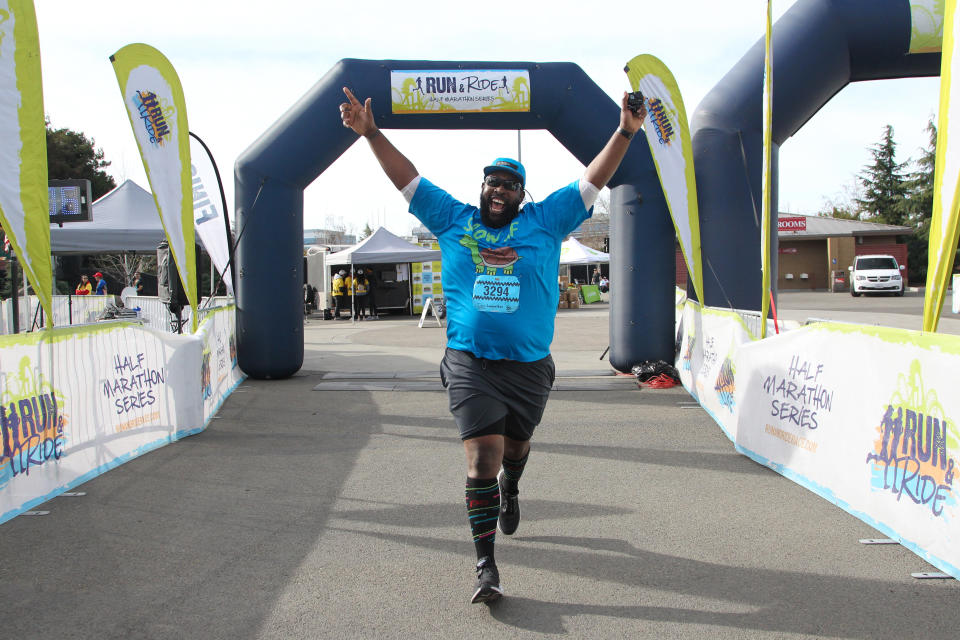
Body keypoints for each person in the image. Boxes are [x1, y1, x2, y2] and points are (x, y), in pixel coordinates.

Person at [341, 86, 645, 604]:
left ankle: (513, 485)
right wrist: (371, 133)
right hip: (470, 363)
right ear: (481, 189)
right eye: (492, 183)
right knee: (483, 456)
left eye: (509, 184)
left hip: (528, 368)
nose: (499, 190)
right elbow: (408, 178)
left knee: (516, 447)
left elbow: (592, 180)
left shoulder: (545, 221)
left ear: (521, 194)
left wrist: (624, 131)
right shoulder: (452, 219)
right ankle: (486, 565)